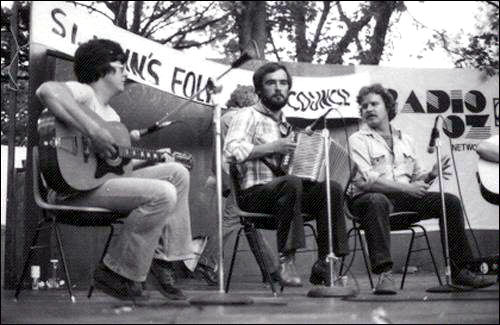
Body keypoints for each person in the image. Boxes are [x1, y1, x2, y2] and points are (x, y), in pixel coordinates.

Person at [36, 39, 205, 301]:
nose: (126, 73)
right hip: (71, 191)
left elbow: (116, 171)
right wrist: (93, 131)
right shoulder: (84, 93)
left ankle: (162, 260)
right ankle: (117, 274)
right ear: (103, 69)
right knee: (163, 193)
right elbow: (47, 91)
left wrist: (153, 159)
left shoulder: (113, 117)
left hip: (96, 185)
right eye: (121, 66)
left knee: (176, 173)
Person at [348, 83, 495, 295]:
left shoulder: (405, 139)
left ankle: (460, 271)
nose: (368, 109)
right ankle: (384, 274)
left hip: (401, 201)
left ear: (388, 107)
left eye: (374, 104)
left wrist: (431, 175)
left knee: (449, 201)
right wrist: (408, 189)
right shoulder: (357, 139)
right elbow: (366, 181)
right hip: (369, 202)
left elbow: (417, 180)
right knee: (375, 200)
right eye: (364, 106)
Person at [223, 63, 349, 287]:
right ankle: (287, 260)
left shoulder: (285, 125)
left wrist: (308, 163)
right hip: (255, 195)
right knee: (290, 184)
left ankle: (328, 260)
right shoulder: (246, 115)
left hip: (286, 194)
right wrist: (274, 147)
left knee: (331, 189)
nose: (278, 88)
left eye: (283, 83)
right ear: (260, 90)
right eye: (271, 83)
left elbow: (289, 168)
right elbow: (231, 151)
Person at [195, 85, 280, 285]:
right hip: (241, 180)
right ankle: (207, 262)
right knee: (232, 220)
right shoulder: (237, 118)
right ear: (245, 103)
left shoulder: (224, 119)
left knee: (249, 222)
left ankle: (271, 270)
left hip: (231, 178)